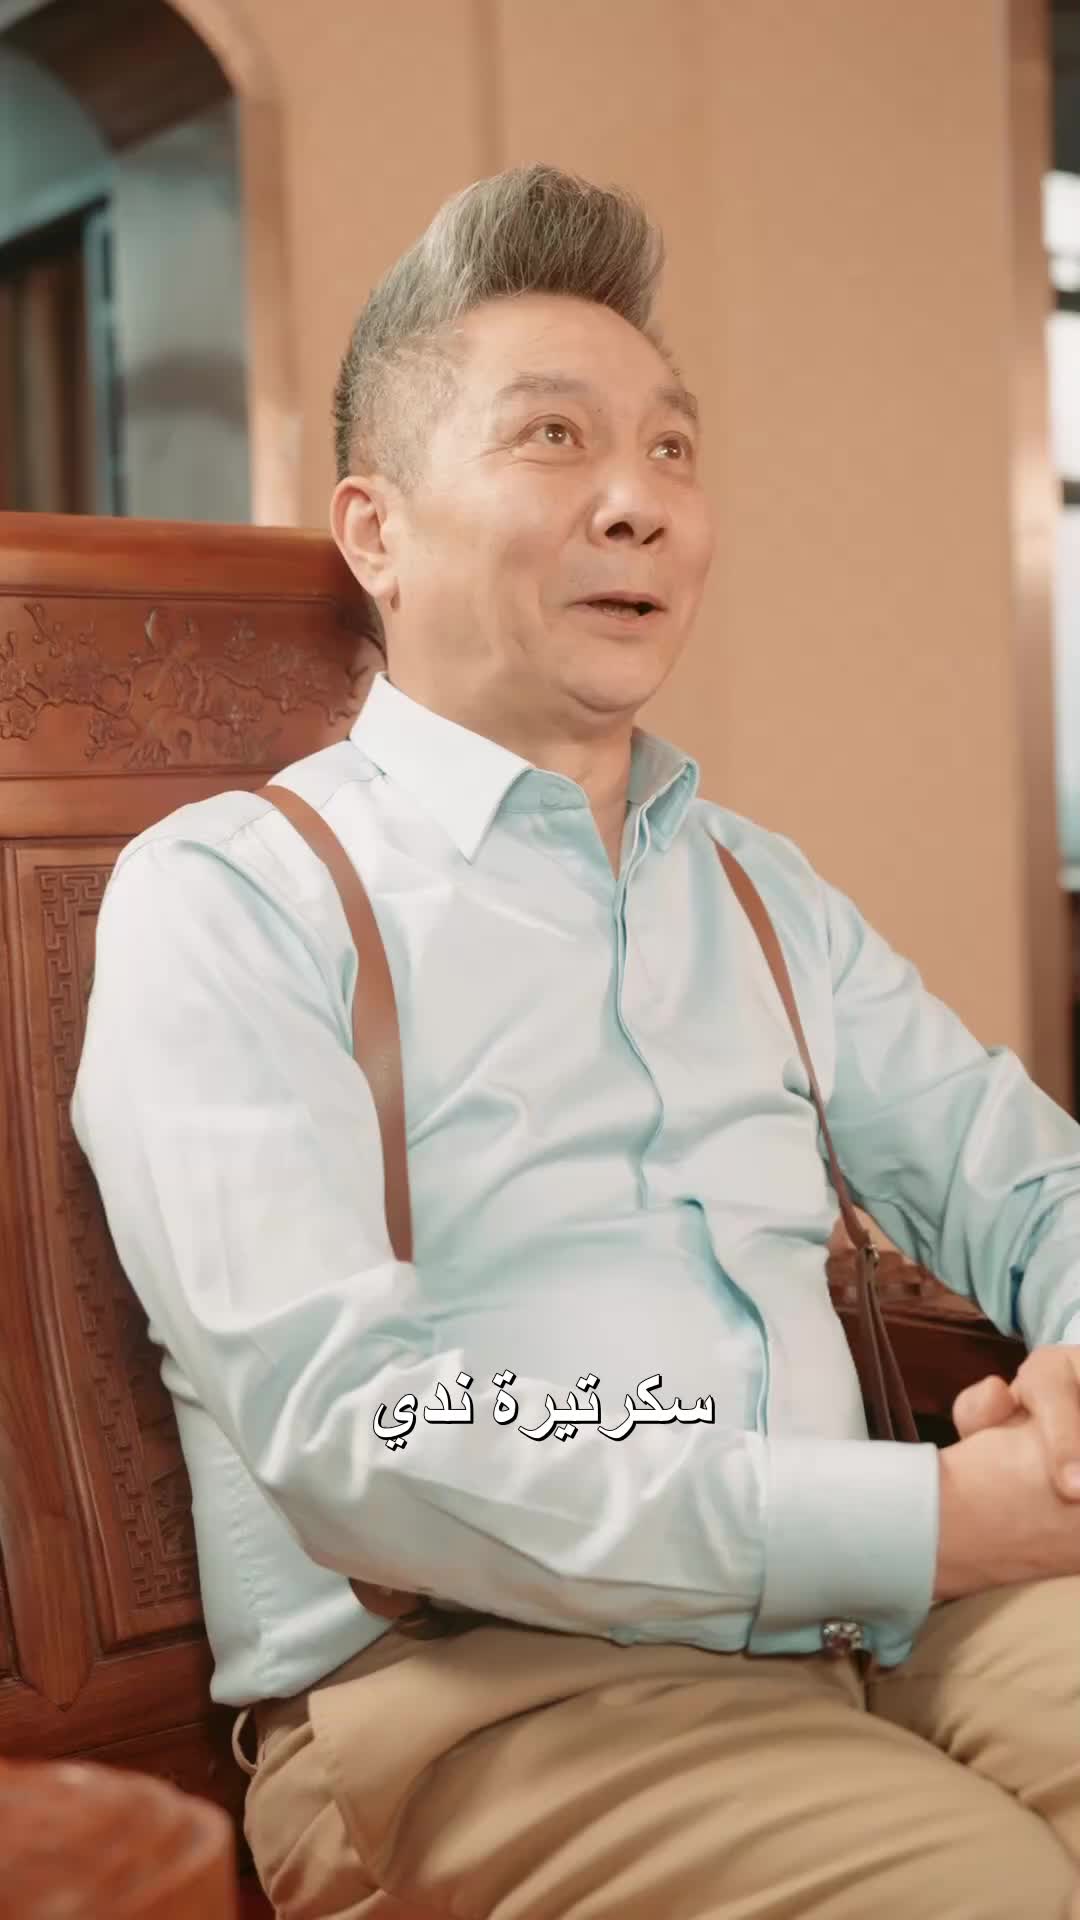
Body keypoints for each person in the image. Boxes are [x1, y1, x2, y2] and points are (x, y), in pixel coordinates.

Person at [72, 165, 1080, 1920]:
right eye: (553, 438)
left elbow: (1028, 1181)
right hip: (477, 1690)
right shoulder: (235, 899)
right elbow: (368, 1427)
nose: (640, 503)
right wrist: (931, 1520)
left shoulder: (758, 888)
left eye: (672, 447)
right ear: (376, 532)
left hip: (892, 1617)